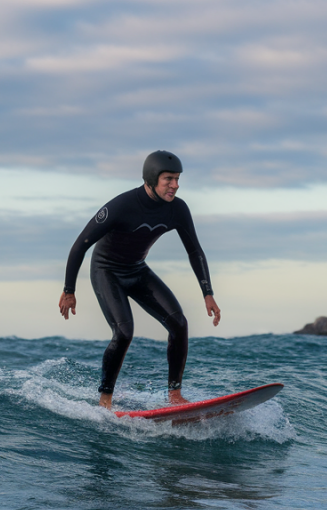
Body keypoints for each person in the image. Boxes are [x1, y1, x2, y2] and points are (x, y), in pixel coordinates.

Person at [59, 151, 221, 409]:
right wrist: (69, 290)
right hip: (106, 271)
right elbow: (80, 245)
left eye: (178, 179)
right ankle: (105, 400)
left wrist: (207, 293)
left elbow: (194, 250)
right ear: (150, 179)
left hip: (137, 270)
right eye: (168, 179)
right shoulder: (121, 205)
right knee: (124, 332)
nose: (175, 185)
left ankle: (174, 395)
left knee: (179, 324)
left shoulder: (177, 209)